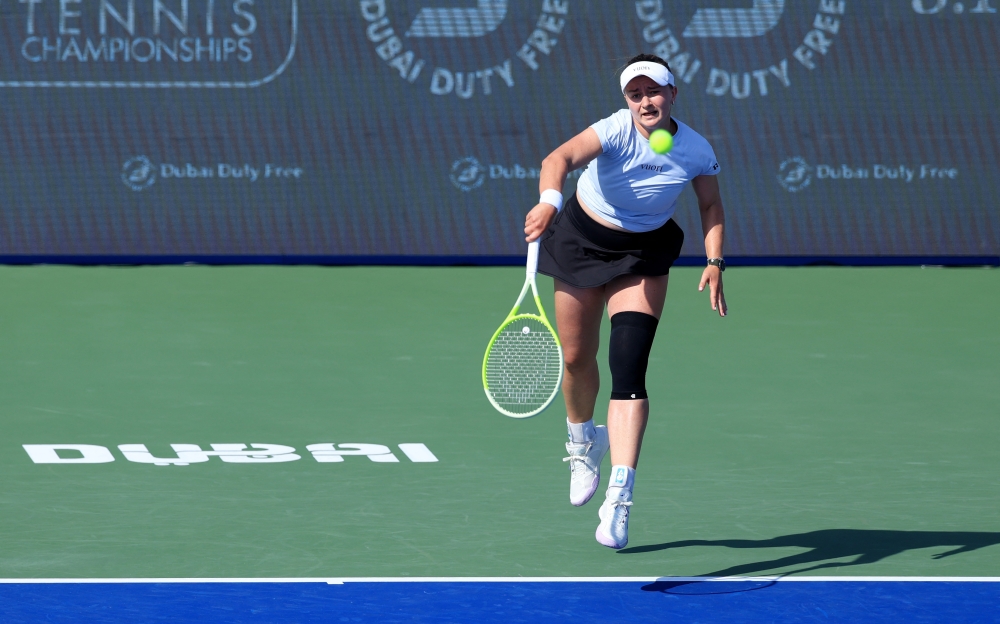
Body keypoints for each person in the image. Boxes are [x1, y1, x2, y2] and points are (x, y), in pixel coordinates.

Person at [523, 53, 728, 549]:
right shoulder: (615, 129)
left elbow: (710, 203)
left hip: (643, 253)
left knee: (629, 366)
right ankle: (581, 442)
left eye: (653, 91)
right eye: (635, 94)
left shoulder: (696, 149)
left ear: (673, 94)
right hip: (581, 239)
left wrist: (714, 261)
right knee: (575, 358)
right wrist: (549, 201)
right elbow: (559, 160)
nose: (644, 101)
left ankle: (619, 498)